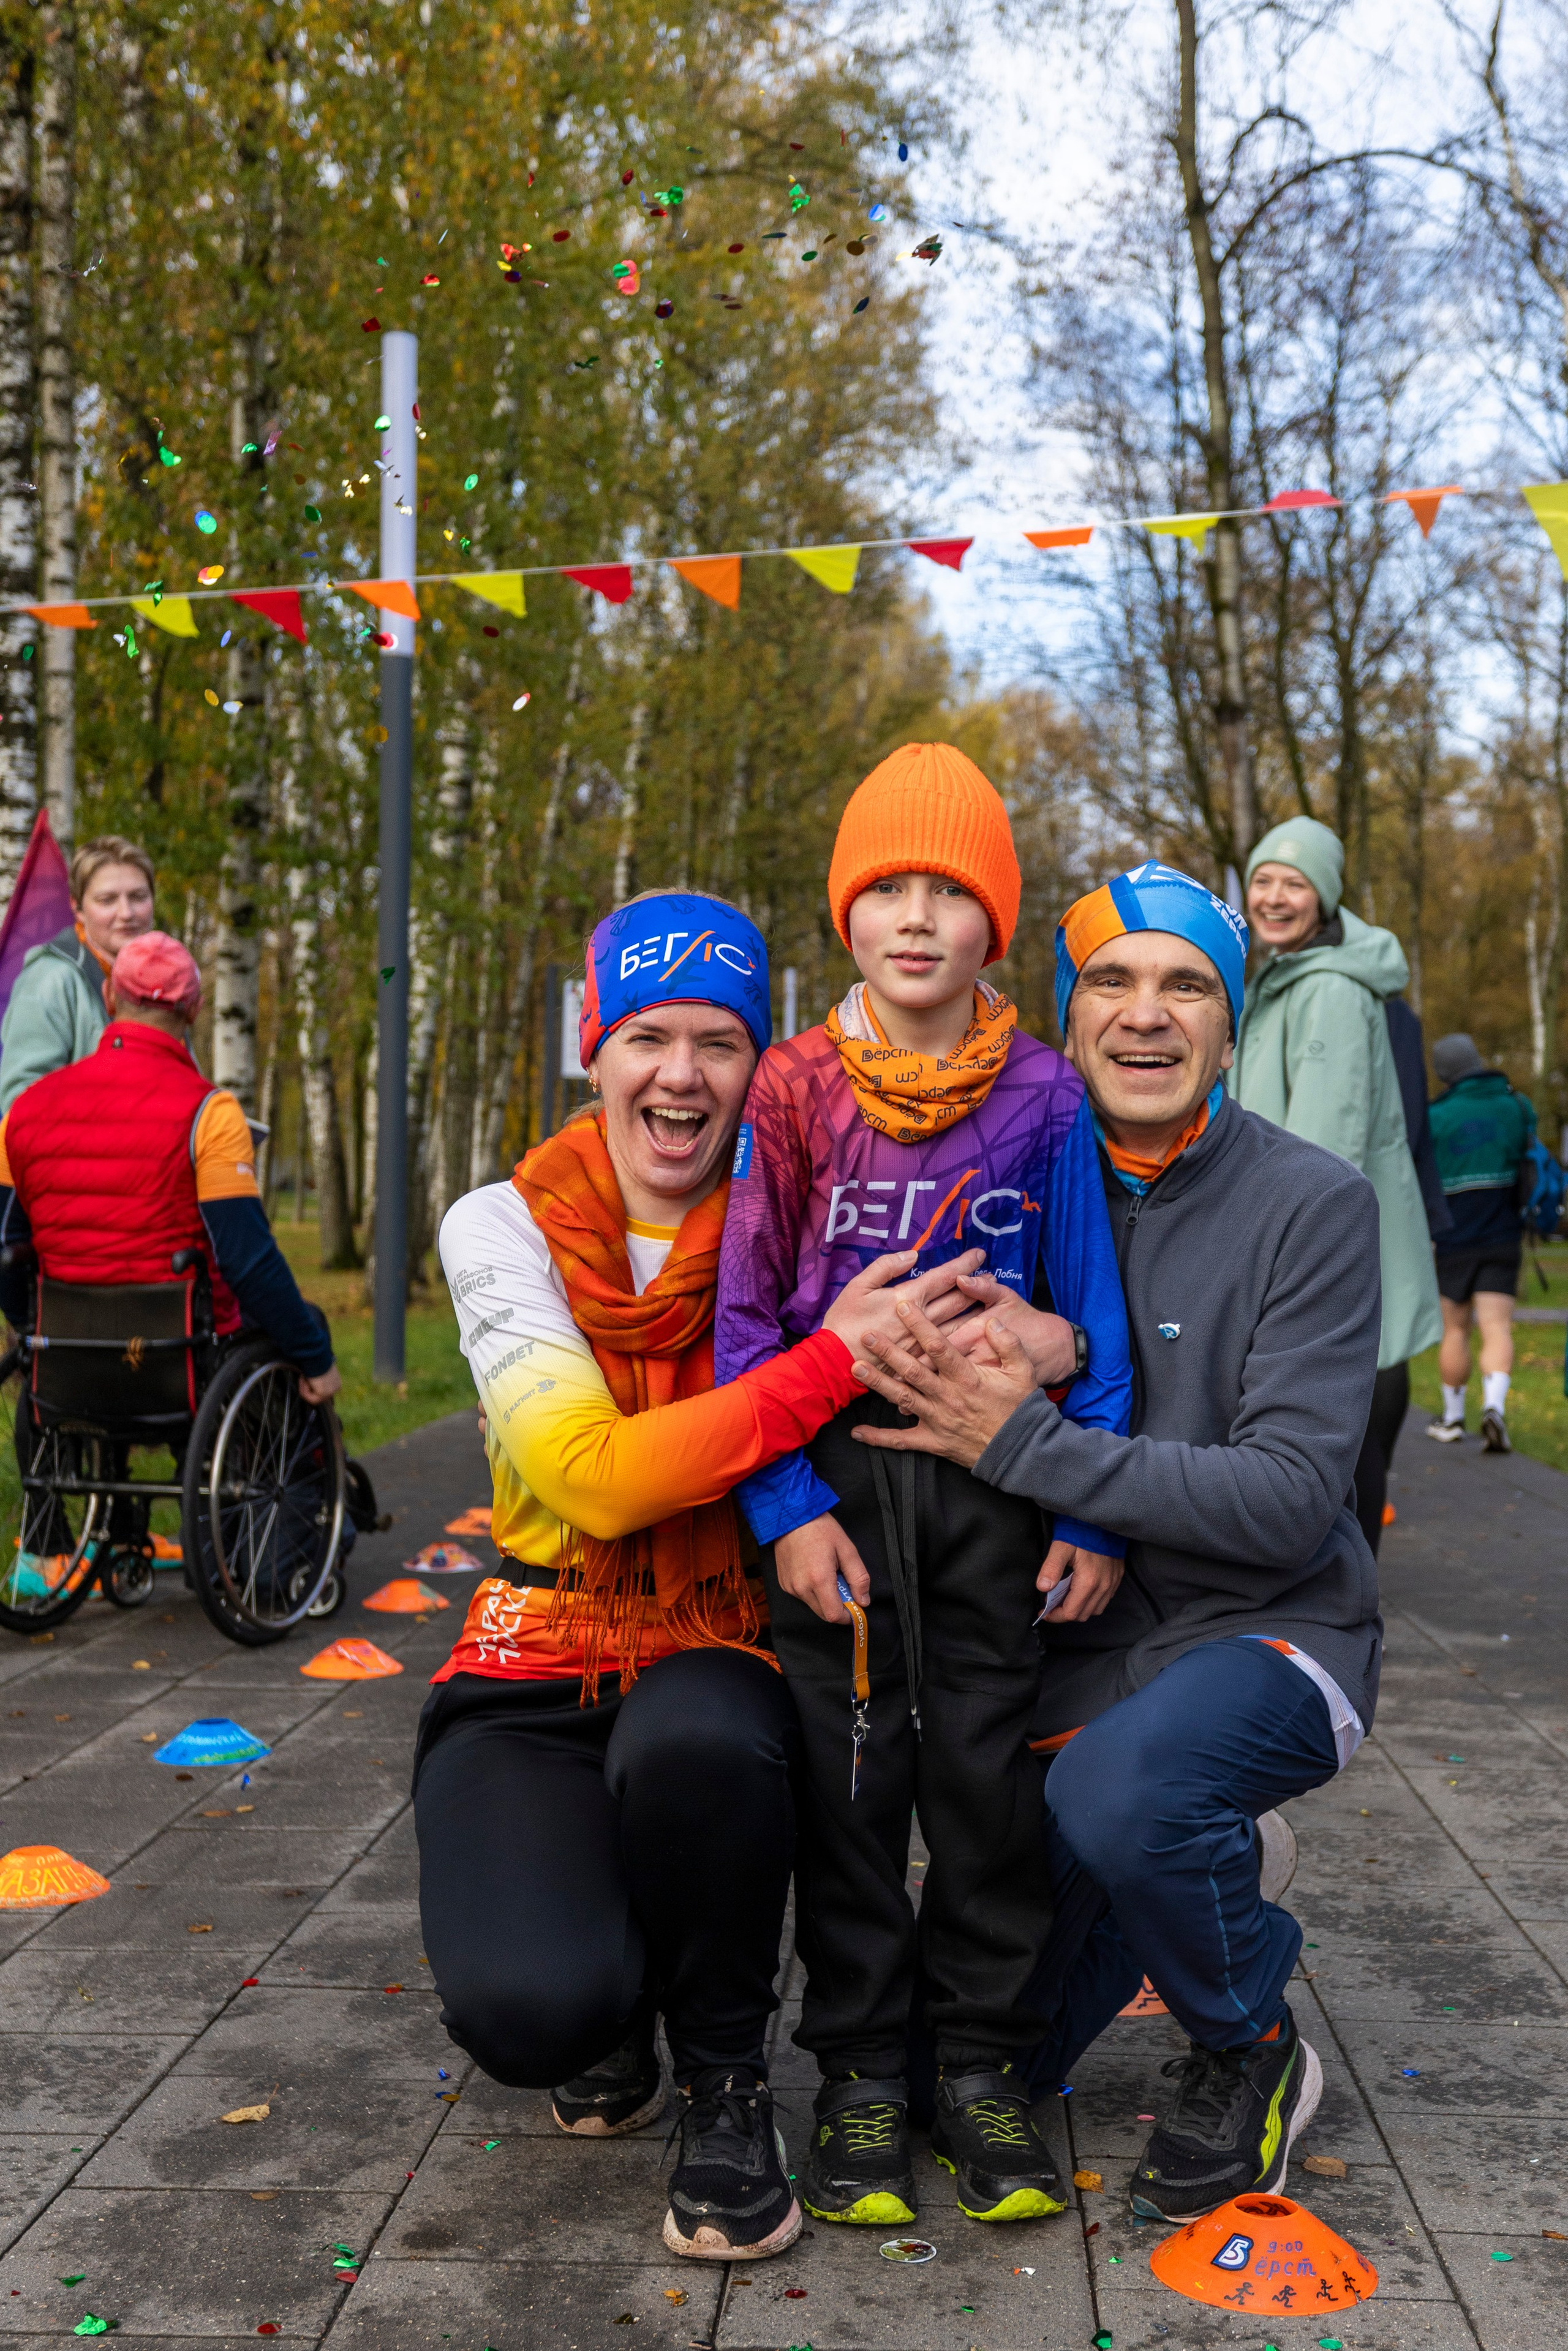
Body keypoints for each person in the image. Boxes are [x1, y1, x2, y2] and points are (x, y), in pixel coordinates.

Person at [421, 890, 981, 2268]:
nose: (681, 1074)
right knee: (529, 2011)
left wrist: (1066, 1347)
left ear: (757, 1062)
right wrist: (827, 1360)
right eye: (647, 1037)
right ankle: (613, 2005)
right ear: (596, 1051)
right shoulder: (500, 1222)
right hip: (536, 1651)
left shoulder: (802, 1219)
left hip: (716, 1635)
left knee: (702, 1739)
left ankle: (727, 2084)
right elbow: (594, 1476)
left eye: (720, 1042)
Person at [845, 861, 1382, 2222]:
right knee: (954, 2076)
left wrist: (1026, 1435)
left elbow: (1285, 1498)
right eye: (1111, 980)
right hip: (1074, 1653)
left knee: (1127, 1788)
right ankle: (1184, 1854)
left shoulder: (1313, 1202)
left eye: (1187, 984)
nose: (1146, 1013)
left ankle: (1250, 2039)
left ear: (1231, 1023)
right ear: (1064, 1015)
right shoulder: (996, 1184)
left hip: (1271, 1630)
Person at [715, 744, 1133, 2231]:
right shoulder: (790, 1086)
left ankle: (978, 2068)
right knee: (850, 1790)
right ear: (845, 911)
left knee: (980, 1786)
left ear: (991, 921)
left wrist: (1086, 1506)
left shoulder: (1042, 1093)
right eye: (884, 887)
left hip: (993, 1490)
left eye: (946, 891)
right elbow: (742, 1322)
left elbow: (1089, 1311)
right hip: (833, 1498)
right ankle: (858, 2076)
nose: (913, 917)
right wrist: (783, 1508)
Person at [0, 931, 339, 1402]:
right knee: (307, 1324)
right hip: (179, 1358)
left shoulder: (23, 1113)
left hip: (66, 1349)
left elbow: (6, 1243)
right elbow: (247, 1261)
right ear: (194, 1010)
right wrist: (316, 1358)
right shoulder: (212, 1114)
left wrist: (30, 1326)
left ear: (110, 997)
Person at [1231, 817, 1440, 1553]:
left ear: (1323, 899)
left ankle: (1348, 1596)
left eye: (1293, 883)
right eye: (1262, 880)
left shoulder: (1328, 988)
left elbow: (1325, 1142)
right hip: (1311, 1235)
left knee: (1345, 1443)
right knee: (1348, 1431)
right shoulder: (1288, 977)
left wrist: (1271, 1250)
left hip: (1316, 1244)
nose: (1273, 896)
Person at [1425, 1032, 1536, 1453]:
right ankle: (1494, 1406)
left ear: (1444, 1072)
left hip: (1453, 1238)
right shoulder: (1516, 1106)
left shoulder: (1436, 1116)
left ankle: (1453, 1418)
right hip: (1503, 1235)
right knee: (1496, 1327)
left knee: (1455, 1329)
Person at [0, 834, 157, 1112]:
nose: (126, 913)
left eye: (138, 897)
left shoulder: (162, 979)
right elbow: (22, 1103)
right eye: (107, 900)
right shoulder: (49, 981)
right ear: (78, 908)